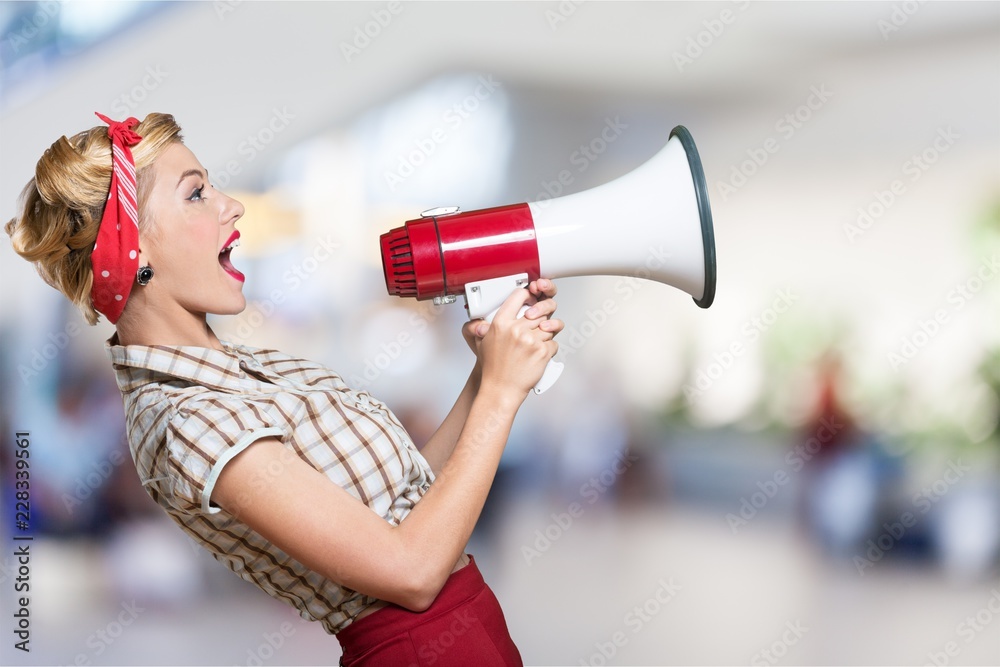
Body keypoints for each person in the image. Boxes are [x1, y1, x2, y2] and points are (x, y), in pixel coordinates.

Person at [5, 112, 563, 665]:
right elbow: (412, 574)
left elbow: (407, 501)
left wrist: (489, 370)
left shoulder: (249, 368)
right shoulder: (189, 420)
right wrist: (500, 396)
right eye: (196, 194)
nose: (233, 205)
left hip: (469, 631)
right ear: (135, 248)